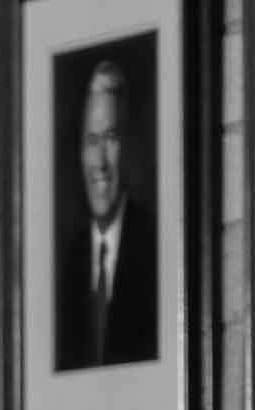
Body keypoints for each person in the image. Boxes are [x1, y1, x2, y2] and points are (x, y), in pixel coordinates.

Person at [55, 60, 157, 371]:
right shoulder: (66, 263)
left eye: (111, 138)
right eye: (91, 141)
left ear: (129, 144)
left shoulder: (154, 246)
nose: (100, 162)